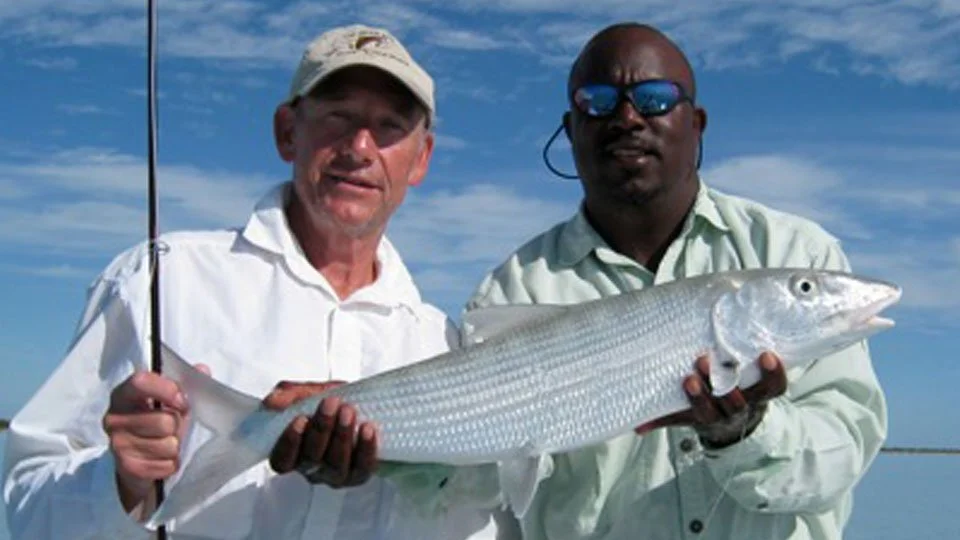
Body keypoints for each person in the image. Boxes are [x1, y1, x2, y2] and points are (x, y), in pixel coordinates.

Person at [2, 24, 498, 540]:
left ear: (421, 159)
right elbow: (25, 503)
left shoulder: (441, 342)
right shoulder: (160, 280)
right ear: (287, 132)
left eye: (390, 127)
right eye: (338, 116)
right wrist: (119, 479)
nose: (360, 146)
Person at [456, 22, 887, 540]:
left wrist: (747, 432)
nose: (628, 118)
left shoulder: (794, 249)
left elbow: (843, 452)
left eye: (655, 98)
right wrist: (359, 448)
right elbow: (477, 487)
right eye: (597, 101)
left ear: (697, 123)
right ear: (571, 129)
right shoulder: (513, 291)